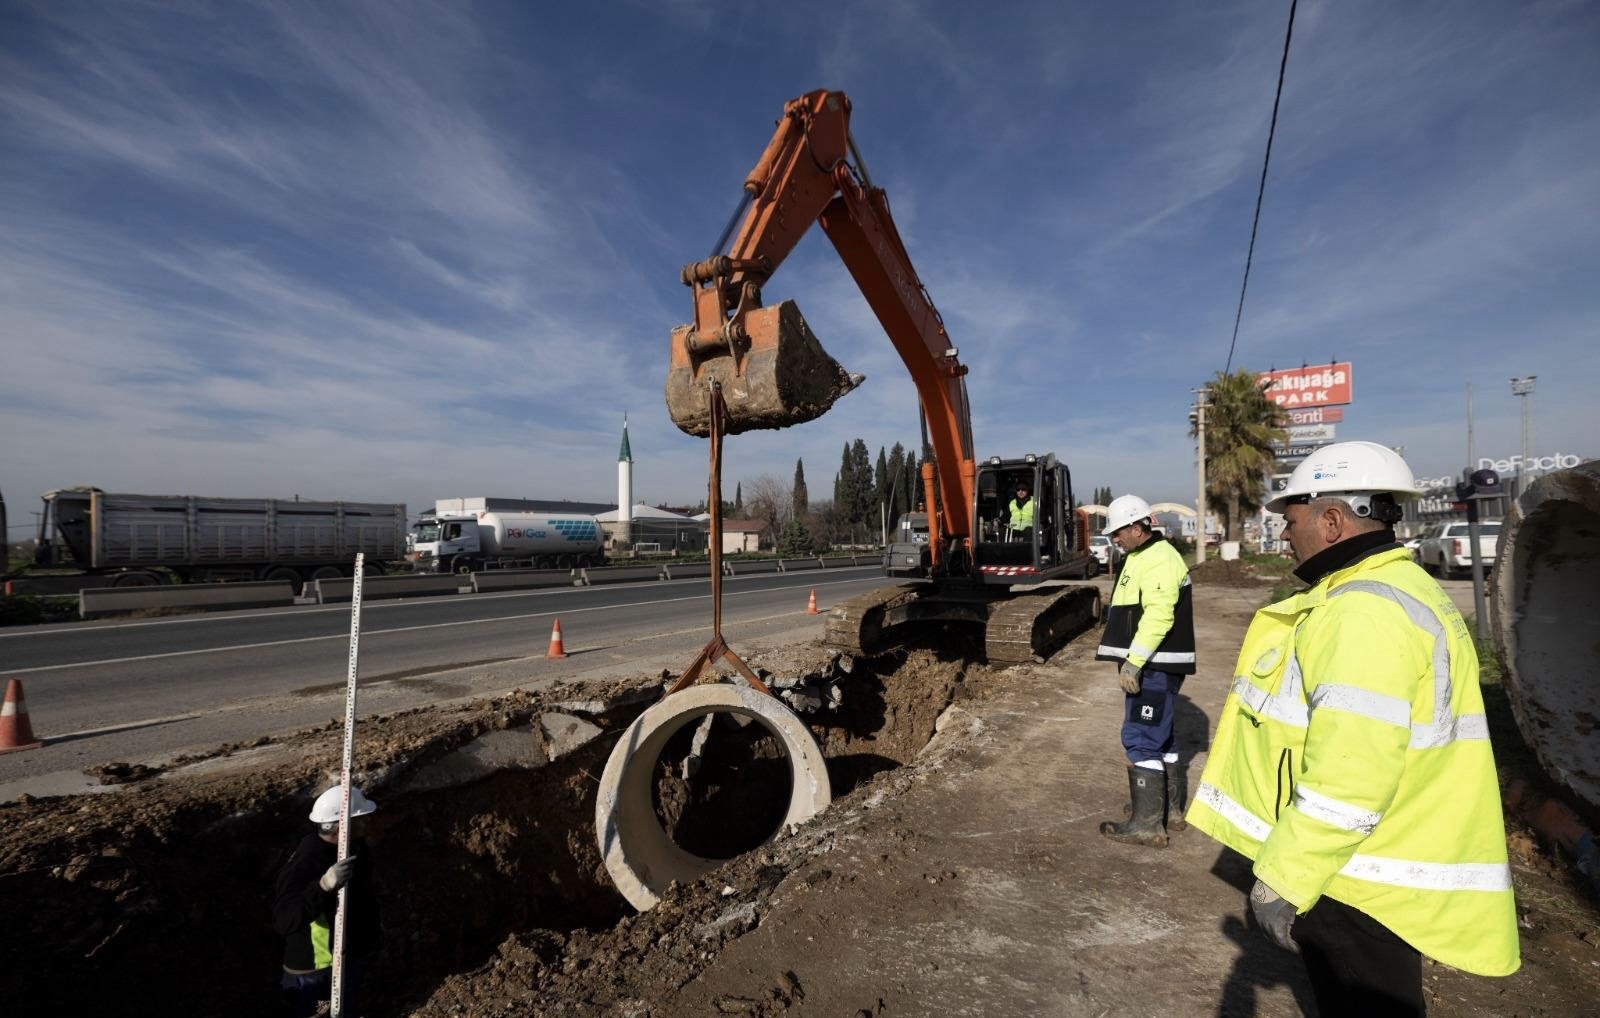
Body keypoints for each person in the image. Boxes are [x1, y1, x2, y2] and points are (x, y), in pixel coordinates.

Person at [1187, 442, 1519, 1015]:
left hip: (1354, 877)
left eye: (1292, 523)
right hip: (1380, 853)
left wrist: (1286, 878)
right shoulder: (1398, 593)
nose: (1286, 537)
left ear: (1333, 521)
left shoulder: (1361, 613)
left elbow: (1352, 774)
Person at [1095, 494, 1196, 847]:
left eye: (1118, 533)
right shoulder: (1144, 555)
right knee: (1162, 736)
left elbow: (1158, 614)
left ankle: (1147, 825)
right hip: (1156, 663)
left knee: (1141, 736)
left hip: (1154, 664)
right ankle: (1166, 810)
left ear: (1138, 528)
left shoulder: (1158, 559)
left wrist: (1135, 661)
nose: (1114, 539)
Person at [274, 784, 381, 1017]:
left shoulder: (353, 848)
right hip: (313, 970)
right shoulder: (308, 860)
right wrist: (323, 887)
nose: (367, 822)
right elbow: (285, 920)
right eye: (360, 819)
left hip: (345, 958)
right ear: (340, 827)